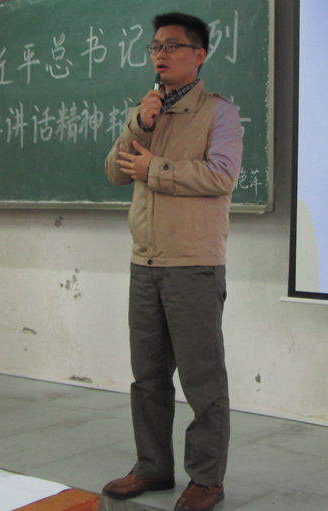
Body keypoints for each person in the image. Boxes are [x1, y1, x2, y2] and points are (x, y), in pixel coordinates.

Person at [102, 12, 243, 511]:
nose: (160, 54)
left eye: (172, 46)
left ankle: (206, 479)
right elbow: (115, 172)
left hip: (193, 263)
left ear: (198, 55)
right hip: (145, 262)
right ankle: (152, 467)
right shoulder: (146, 110)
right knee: (147, 377)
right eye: (155, 46)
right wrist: (139, 124)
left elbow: (221, 175)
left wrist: (154, 169)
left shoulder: (220, 113)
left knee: (203, 380)